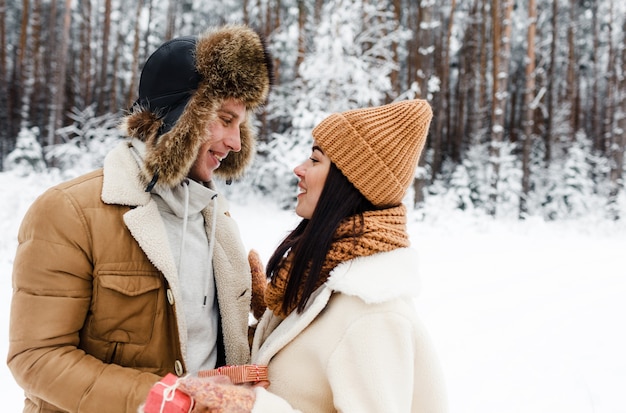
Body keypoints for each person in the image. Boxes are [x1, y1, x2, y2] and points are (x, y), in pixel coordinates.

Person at [7, 24, 273, 413]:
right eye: (226, 119)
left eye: (241, 125)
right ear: (181, 117)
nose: (235, 142)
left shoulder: (217, 221)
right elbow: (37, 358)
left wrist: (278, 324)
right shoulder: (70, 212)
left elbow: (207, 348)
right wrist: (166, 400)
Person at [172, 99, 448, 412]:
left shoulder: (375, 316)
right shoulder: (322, 277)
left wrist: (253, 406)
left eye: (315, 160)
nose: (299, 169)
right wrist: (274, 320)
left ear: (349, 182)